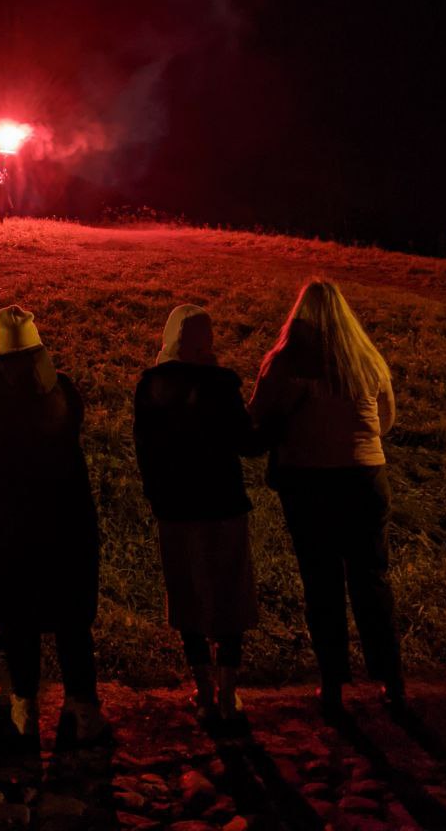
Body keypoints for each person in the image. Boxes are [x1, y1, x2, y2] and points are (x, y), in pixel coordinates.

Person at [248, 278, 404, 717]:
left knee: (322, 584)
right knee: (372, 581)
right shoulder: (366, 359)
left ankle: (333, 684)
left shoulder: (284, 363)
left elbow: (256, 416)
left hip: (309, 482)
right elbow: (386, 421)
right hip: (365, 478)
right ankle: (392, 681)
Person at [0, 305, 106, 745]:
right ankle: (84, 708)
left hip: (9, 528)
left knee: (18, 621)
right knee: (72, 622)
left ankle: (24, 707)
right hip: (67, 523)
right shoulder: (63, 391)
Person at [133, 305, 261, 728]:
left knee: (187, 595)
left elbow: (144, 451)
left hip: (176, 508)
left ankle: (203, 691)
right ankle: (228, 694)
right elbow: (249, 444)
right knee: (228, 595)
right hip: (223, 503)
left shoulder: (151, 385)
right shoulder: (222, 385)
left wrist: (156, 497)